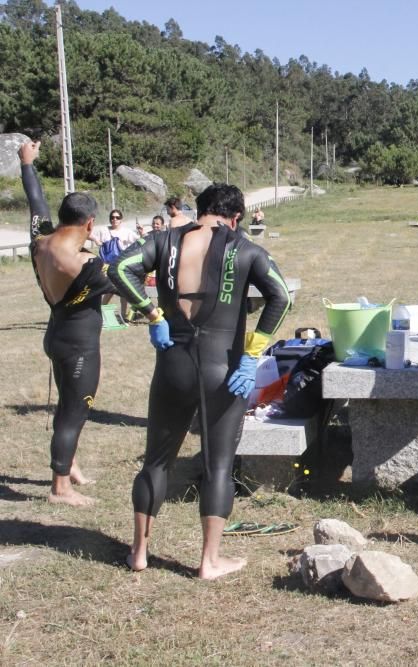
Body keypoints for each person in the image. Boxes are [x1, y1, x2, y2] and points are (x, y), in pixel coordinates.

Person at [109, 183, 291, 580]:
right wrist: (252, 354)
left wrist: (152, 314)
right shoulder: (246, 249)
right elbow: (282, 297)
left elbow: (119, 268)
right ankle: (209, 561)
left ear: (200, 210)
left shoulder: (165, 239)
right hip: (222, 368)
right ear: (236, 217)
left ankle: (138, 552)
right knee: (219, 465)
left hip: (173, 361)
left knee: (156, 460)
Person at [19, 140, 112, 507]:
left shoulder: (40, 239)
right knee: (75, 409)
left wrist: (27, 163)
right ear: (90, 222)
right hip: (79, 344)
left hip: (56, 334)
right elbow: (114, 289)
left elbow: (35, 200)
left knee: (67, 403)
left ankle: (68, 464)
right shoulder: (86, 263)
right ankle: (60, 487)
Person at [89, 208, 139, 321]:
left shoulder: (126, 232)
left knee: (124, 290)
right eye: (112, 217)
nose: (114, 219)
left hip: (122, 265)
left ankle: (123, 314)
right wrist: (96, 240)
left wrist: (141, 233)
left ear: (121, 220)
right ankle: (101, 311)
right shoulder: (103, 230)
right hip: (107, 266)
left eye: (117, 217)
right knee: (110, 289)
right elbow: (88, 234)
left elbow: (139, 240)